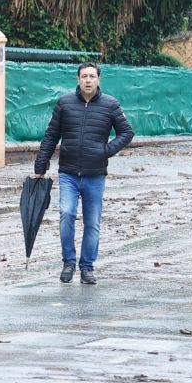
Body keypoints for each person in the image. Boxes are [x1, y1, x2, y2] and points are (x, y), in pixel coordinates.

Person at [33, 61, 134, 285]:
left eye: (92, 76)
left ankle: (87, 267)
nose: (88, 80)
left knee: (92, 223)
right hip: (68, 173)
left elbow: (127, 132)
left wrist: (105, 151)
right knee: (66, 215)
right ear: (78, 80)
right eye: (84, 76)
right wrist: (41, 166)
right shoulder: (65, 103)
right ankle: (68, 262)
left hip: (95, 174)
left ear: (99, 80)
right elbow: (51, 136)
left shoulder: (111, 105)